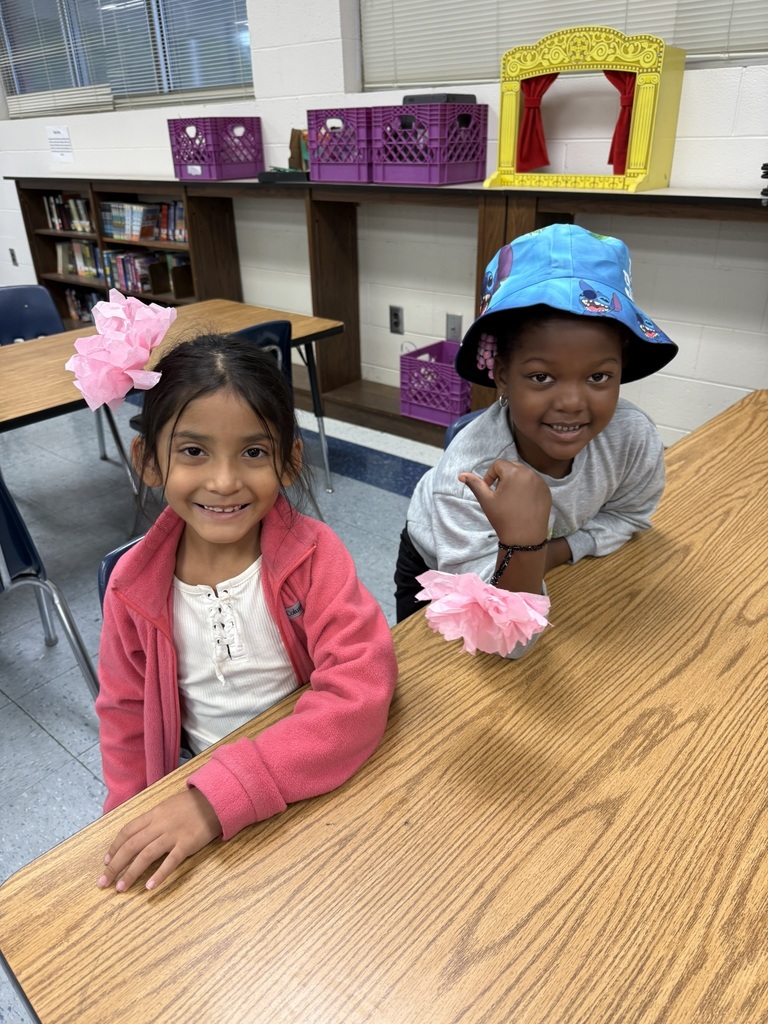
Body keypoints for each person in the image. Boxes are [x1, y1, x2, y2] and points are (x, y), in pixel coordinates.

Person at [67, 300, 397, 893]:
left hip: (308, 781)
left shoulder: (314, 556)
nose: (224, 481)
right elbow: (125, 721)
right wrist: (129, 822)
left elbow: (361, 687)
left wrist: (216, 799)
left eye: (253, 451)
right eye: (193, 451)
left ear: (289, 462)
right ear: (148, 462)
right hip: (201, 811)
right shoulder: (132, 587)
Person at [394, 223, 678, 656]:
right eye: (542, 377)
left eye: (598, 377)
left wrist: (551, 551)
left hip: (536, 566)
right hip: (440, 566)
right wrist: (524, 540)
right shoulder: (467, 477)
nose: (572, 403)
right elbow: (506, 640)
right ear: (502, 375)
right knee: (425, 668)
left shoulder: (631, 438)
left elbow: (630, 515)